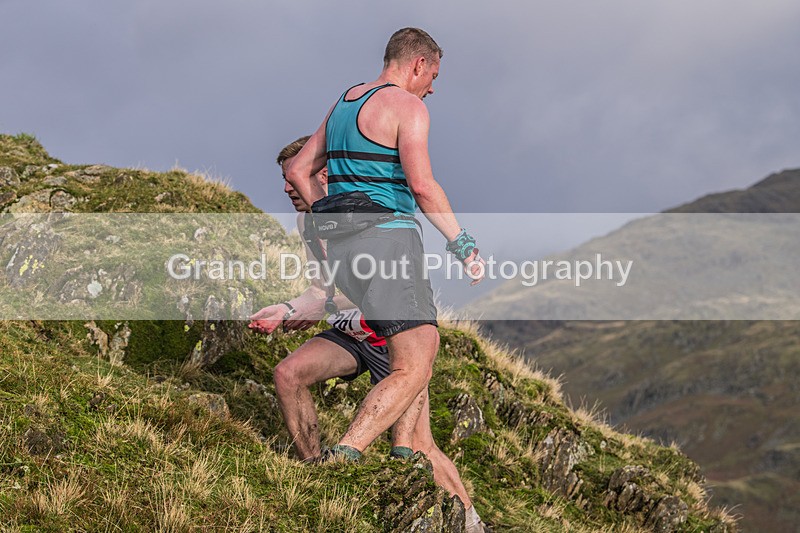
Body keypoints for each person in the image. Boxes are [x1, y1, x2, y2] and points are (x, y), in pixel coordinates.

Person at [250, 136, 487, 532]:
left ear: (323, 173)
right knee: (288, 374)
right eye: (285, 179)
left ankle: (474, 524)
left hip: (393, 338)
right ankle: (316, 475)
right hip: (350, 334)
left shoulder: (362, 212)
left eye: (294, 178)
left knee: (420, 447)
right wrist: (287, 310)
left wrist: (320, 308)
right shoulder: (306, 222)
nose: (287, 188)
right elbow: (321, 290)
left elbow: (373, 288)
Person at [285, 27, 485, 465]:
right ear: (418, 64)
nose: (432, 87)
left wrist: (333, 216)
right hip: (389, 241)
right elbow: (423, 185)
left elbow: (300, 169)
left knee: (405, 351)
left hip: (344, 251)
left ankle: (401, 454)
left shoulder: (344, 102)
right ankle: (347, 453)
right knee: (416, 362)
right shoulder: (407, 106)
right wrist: (463, 244)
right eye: (432, 75)